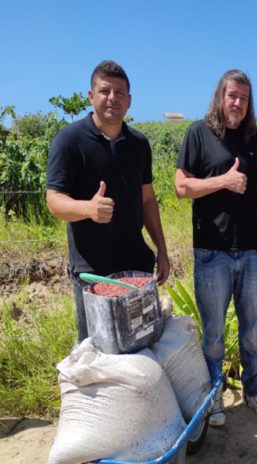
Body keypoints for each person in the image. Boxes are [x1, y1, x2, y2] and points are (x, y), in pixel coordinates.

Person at [175, 69, 257, 425]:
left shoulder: (252, 137)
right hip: (212, 250)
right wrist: (223, 181)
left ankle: (255, 391)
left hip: (250, 249)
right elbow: (181, 187)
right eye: (232, 96)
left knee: (250, 327)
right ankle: (214, 395)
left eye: (244, 98)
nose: (237, 103)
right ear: (221, 96)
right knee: (214, 333)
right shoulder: (199, 133)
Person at [46, 60, 170, 343]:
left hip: (137, 266)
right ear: (91, 96)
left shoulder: (139, 144)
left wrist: (161, 250)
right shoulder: (69, 141)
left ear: (129, 101)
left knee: (140, 343)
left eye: (119, 92)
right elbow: (54, 201)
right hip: (93, 271)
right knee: (95, 349)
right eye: (105, 91)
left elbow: (148, 199)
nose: (112, 98)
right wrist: (87, 209)